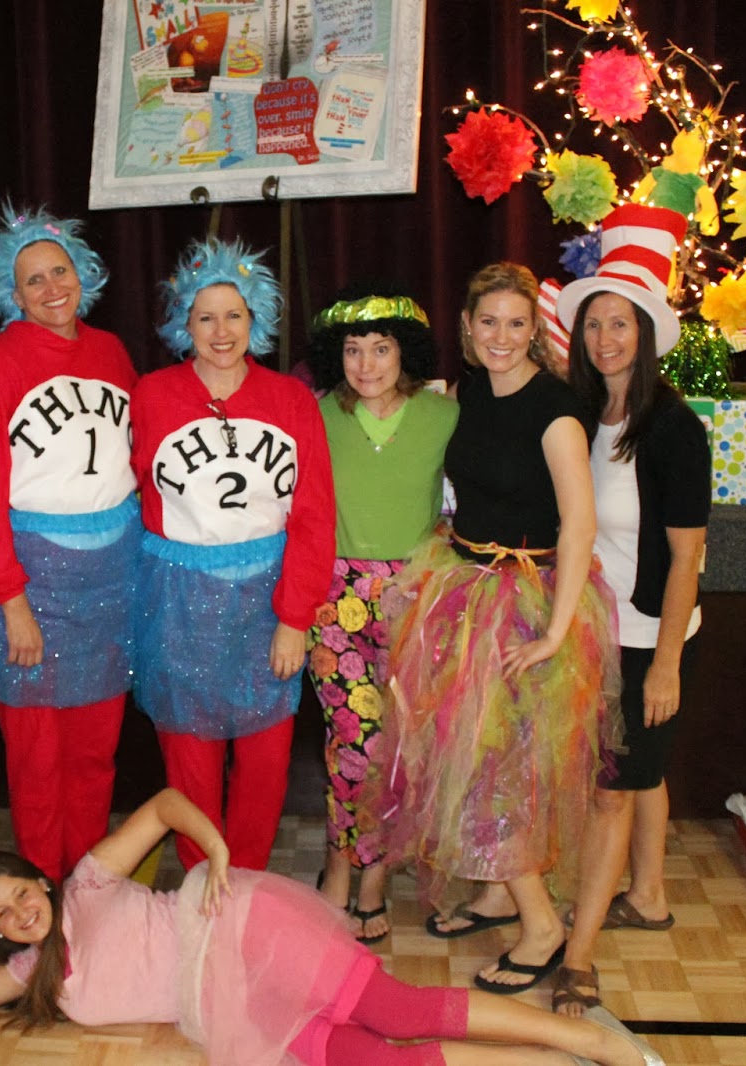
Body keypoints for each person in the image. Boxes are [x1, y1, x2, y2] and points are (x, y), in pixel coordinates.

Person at [0, 788, 664, 1066]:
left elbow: (166, 804)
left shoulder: (86, 886)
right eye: (3, 914)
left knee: (397, 1012)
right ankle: (558, 1058)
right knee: (380, 1064)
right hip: (233, 1007)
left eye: (22, 894)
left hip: (242, 929)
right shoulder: (25, 970)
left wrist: (213, 849)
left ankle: (596, 1042)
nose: (22, 913)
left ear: (42, 881)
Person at [363, 263, 619, 994]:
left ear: (534, 330)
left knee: (497, 770)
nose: (501, 337)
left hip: (526, 602)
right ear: (469, 329)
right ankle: (500, 895)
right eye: (488, 322)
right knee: (471, 752)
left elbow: (579, 526)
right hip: (464, 584)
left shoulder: (556, 411)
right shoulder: (472, 392)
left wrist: (554, 634)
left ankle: (542, 926)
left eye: (516, 323)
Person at [0, 205, 139, 883]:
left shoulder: (111, 352)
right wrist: (10, 602)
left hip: (110, 583)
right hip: (30, 589)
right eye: (34, 280)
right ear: (13, 294)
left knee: (95, 755)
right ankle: (44, 896)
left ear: (82, 273)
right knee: (36, 760)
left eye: (60, 271)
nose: (52, 288)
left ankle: (88, 887)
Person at [130, 238, 334, 872]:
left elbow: (314, 517)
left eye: (234, 315)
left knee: (265, 760)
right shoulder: (151, 395)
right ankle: (202, 881)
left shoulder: (292, 400)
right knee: (189, 759)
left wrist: (295, 618)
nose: (221, 332)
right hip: (179, 604)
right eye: (206, 317)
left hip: (267, 605)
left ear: (256, 319)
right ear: (184, 324)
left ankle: (244, 882)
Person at [553, 205, 710, 1015]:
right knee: (641, 773)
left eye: (620, 324)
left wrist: (668, 666)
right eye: (593, 324)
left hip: (649, 634)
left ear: (644, 335)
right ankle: (647, 893)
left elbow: (686, 556)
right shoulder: (584, 415)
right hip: (594, 627)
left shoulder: (673, 427)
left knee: (615, 786)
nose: (604, 338)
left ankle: (580, 955)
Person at [303, 283, 457, 943]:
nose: (366, 364)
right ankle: (346, 868)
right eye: (353, 349)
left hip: (415, 598)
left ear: (405, 353)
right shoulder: (315, 414)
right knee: (353, 743)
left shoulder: (443, 415)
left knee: (400, 748)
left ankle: (374, 874)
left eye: (381, 348)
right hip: (333, 597)